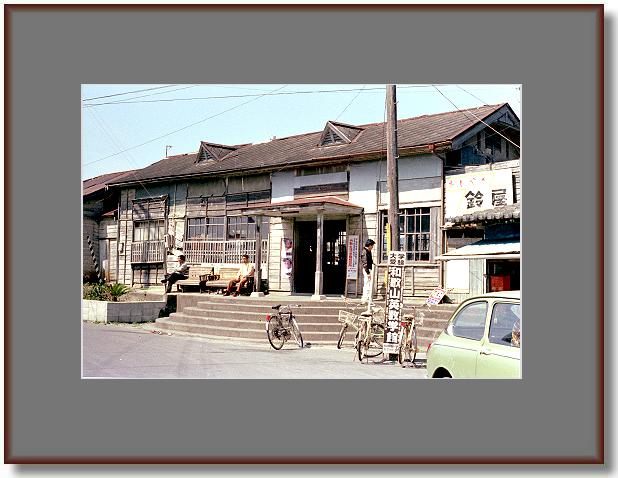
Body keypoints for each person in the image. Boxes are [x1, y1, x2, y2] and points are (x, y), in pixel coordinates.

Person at [360, 239, 375, 303]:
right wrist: (368, 273)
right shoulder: (365, 252)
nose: (372, 247)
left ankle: (368, 297)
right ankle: (365, 298)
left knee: (369, 283)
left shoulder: (368, 251)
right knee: (367, 283)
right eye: (372, 246)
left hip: (369, 269)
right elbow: (365, 263)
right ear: (369, 245)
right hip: (367, 270)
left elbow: (370, 261)